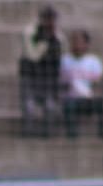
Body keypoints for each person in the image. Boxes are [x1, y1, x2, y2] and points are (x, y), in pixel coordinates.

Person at [19, 5, 66, 137]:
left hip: (48, 80)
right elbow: (32, 56)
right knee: (29, 106)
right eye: (47, 19)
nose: (50, 23)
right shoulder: (30, 33)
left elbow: (59, 59)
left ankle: (47, 134)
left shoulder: (58, 37)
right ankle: (28, 133)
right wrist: (45, 41)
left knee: (51, 106)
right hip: (30, 78)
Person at [60, 30, 103, 138]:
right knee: (69, 105)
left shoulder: (94, 61)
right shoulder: (64, 60)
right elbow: (62, 82)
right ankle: (72, 137)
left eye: (79, 41)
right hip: (72, 98)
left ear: (86, 44)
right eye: (74, 41)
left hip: (88, 98)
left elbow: (97, 82)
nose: (76, 44)